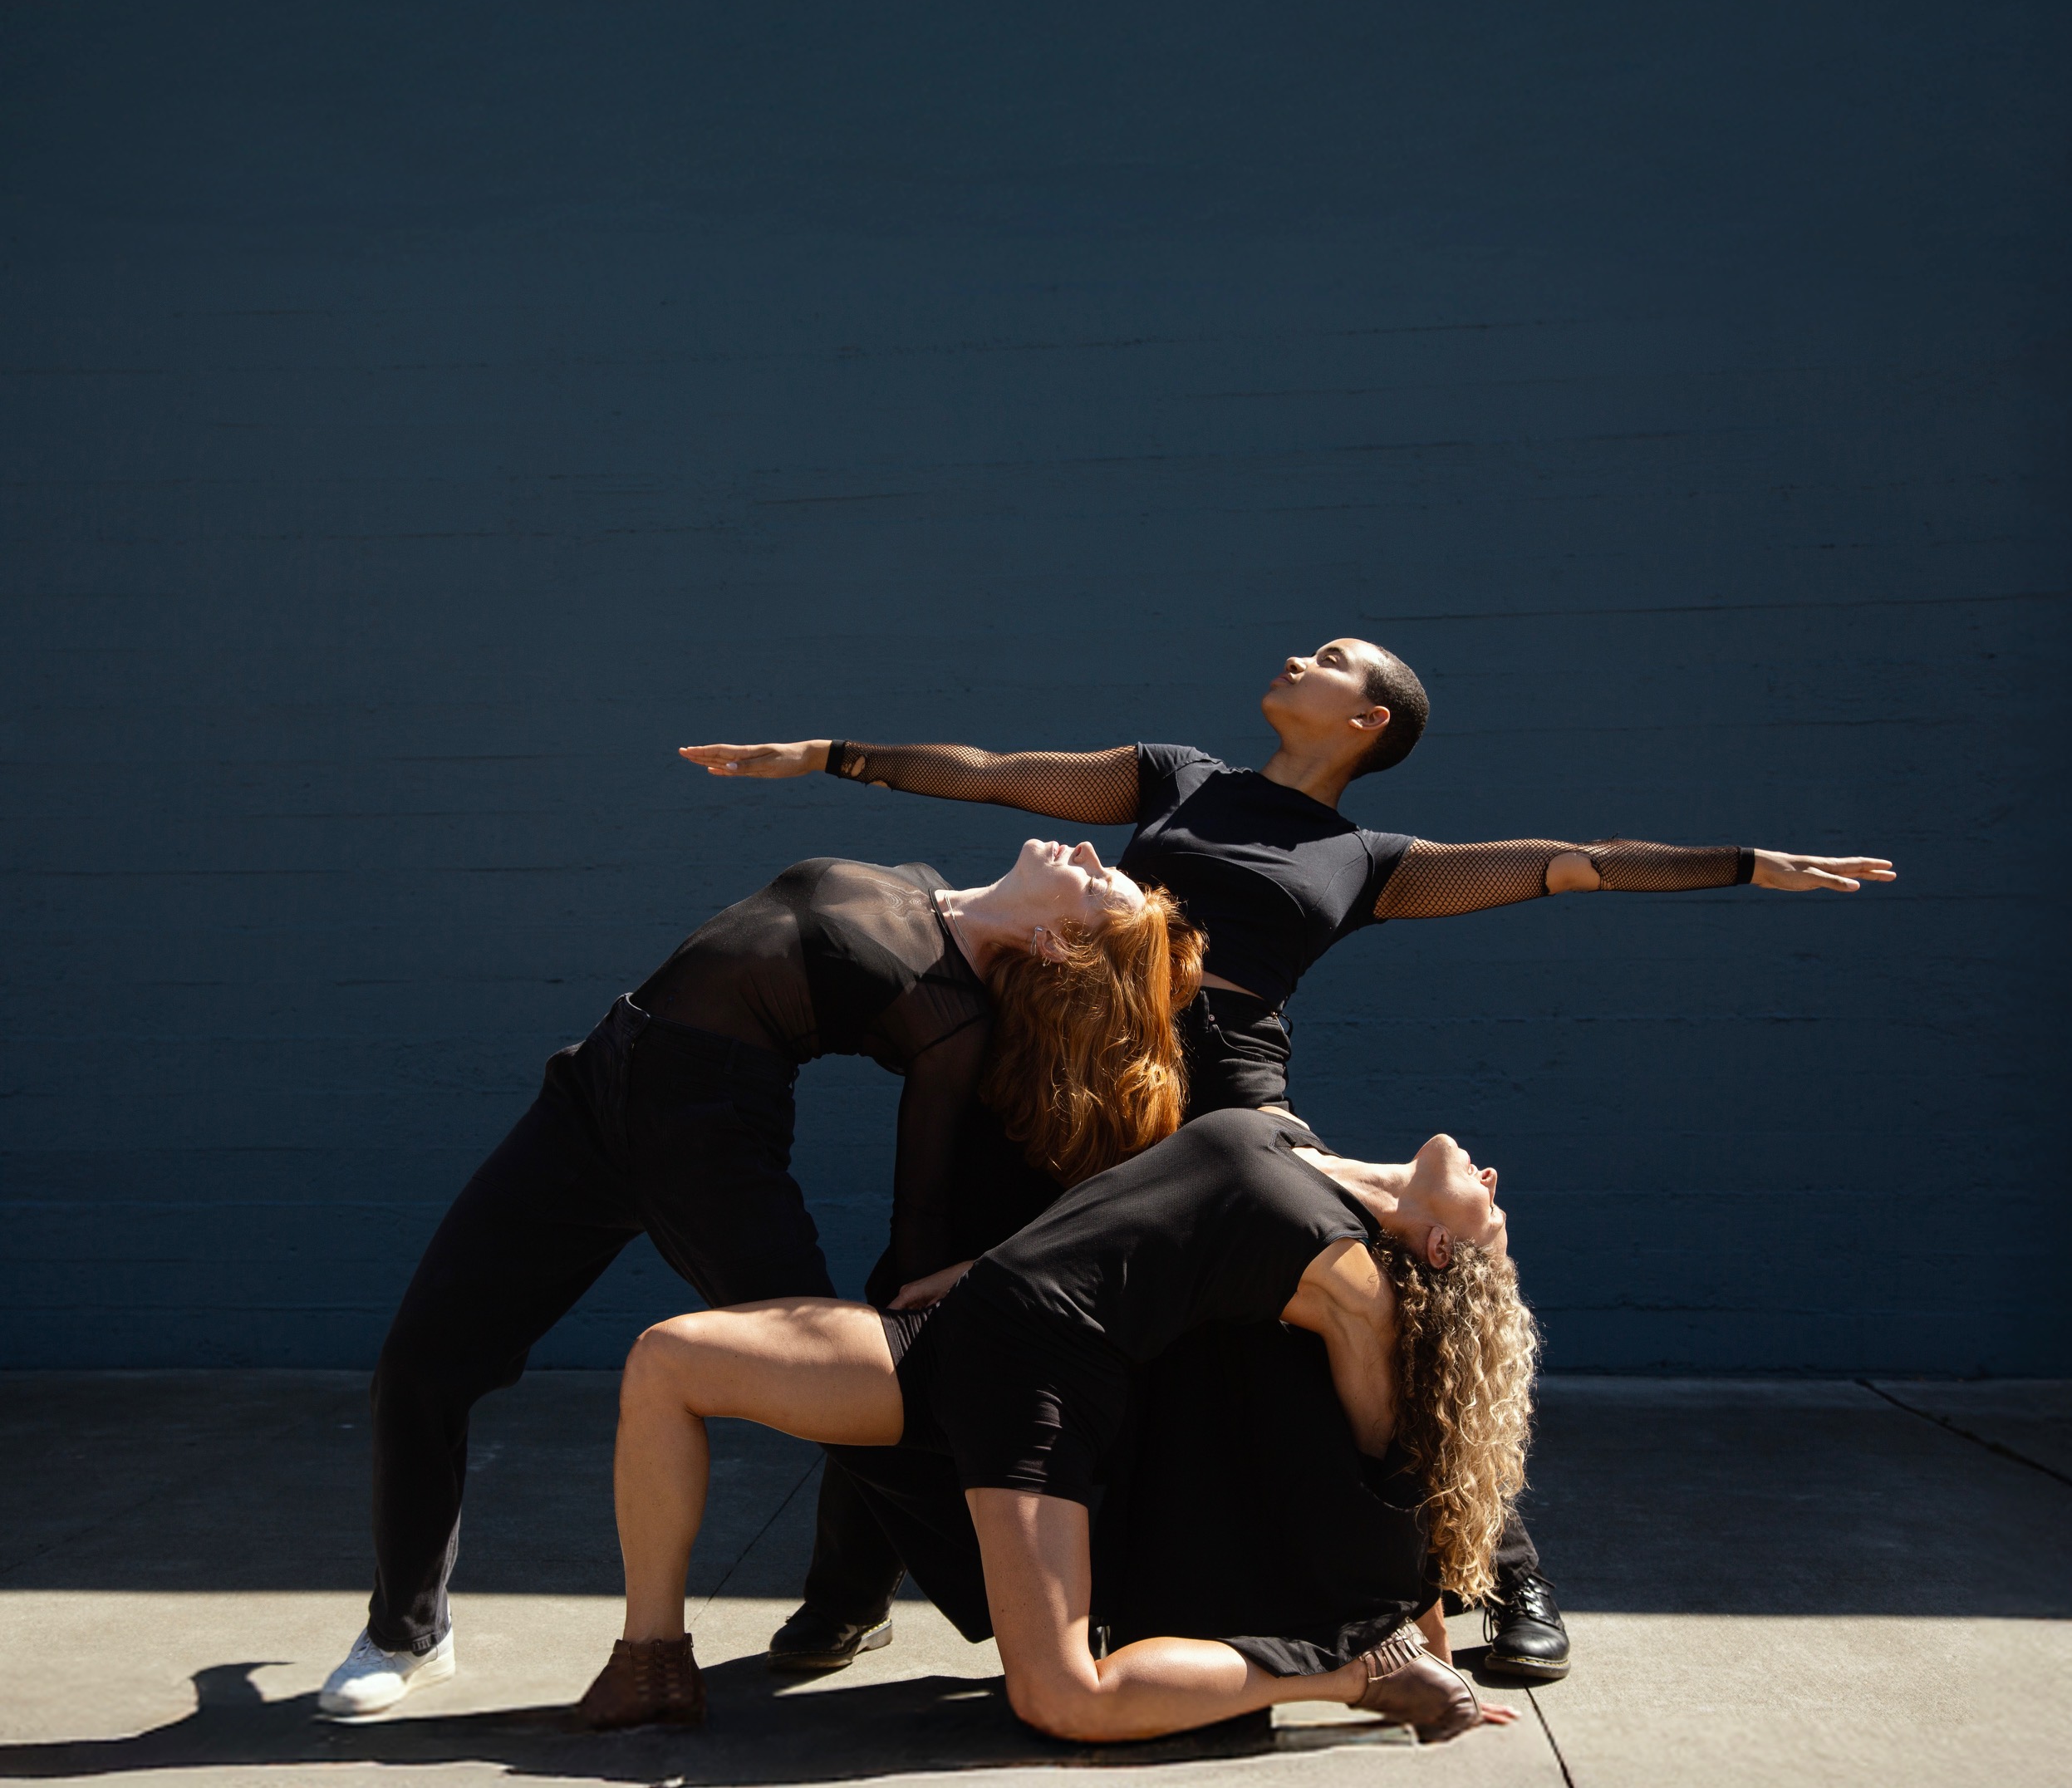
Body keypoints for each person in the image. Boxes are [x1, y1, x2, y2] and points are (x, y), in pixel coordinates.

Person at [680, 641, 1895, 1679]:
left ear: (1367, 720)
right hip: (1079, 1083)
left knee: (1361, 1325)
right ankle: (847, 1595)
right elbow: (999, 779)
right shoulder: (1174, 777)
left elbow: (1572, 859)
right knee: (918, 1296)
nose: (1296, 659)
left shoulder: (1369, 857)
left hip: (1229, 1112)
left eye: (1329, 659)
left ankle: (1501, 1574)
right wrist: (829, 753)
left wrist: (1742, 863)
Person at [317, 838, 1200, 1717]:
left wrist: (936, 1285)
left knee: (848, 1405)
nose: (1083, 848)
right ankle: (407, 1631)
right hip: (592, 1092)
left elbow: (920, 1205)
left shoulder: (952, 1015)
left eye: (1095, 881)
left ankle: (1056, 1610)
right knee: (419, 1361)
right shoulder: (924, 883)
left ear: (1055, 943)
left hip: (711, 1145)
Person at [578, 1107, 1534, 1746]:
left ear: (1440, 1250)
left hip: (1038, 1385)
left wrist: (1413, 1623)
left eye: (1494, 1210)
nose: (1493, 1176)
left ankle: (1346, 1674)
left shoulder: (1354, 1287)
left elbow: (1389, 1462)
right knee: (668, 1358)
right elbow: (1129, 1213)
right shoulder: (1295, 1137)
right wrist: (983, 1264)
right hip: (959, 1331)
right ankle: (653, 1660)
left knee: (1062, 1697)